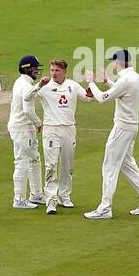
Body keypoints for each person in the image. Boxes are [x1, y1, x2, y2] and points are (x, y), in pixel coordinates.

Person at [83, 48, 139, 218]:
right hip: (131, 128)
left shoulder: (126, 80)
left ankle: (105, 208)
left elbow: (102, 98)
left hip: (122, 128)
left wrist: (90, 83)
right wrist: (107, 81)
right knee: (127, 164)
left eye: (114, 62)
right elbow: (121, 92)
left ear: (118, 63)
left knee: (109, 165)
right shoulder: (135, 77)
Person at [27, 58, 90, 214]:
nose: (54, 73)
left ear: (64, 72)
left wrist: (91, 87)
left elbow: (87, 98)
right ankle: (51, 200)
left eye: (57, 70)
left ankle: (65, 196)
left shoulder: (73, 86)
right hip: (51, 130)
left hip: (69, 129)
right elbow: (28, 97)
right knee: (51, 165)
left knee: (68, 166)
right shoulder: (45, 86)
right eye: (52, 70)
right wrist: (40, 84)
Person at [8, 55, 45, 209]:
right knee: (22, 161)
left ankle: (36, 194)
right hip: (22, 128)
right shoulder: (25, 85)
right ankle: (19, 199)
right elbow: (27, 108)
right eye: (35, 68)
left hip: (21, 128)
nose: (37, 70)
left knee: (33, 158)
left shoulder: (22, 82)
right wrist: (39, 123)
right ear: (27, 68)